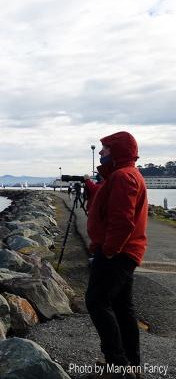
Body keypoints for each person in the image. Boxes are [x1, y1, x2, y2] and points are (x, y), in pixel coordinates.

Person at [84, 131, 148, 378]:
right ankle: (130, 364)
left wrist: (109, 250)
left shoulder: (123, 177)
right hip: (125, 251)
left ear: (118, 150)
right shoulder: (122, 175)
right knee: (122, 307)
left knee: (97, 301)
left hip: (118, 252)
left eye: (106, 149)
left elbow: (123, 221)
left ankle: (118, 364)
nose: (101, 153)